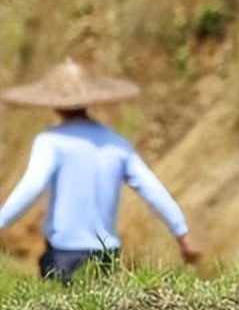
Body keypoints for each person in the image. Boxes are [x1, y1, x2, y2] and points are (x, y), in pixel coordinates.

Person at [0, 58, 199, 282]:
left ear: (54, 103)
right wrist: (181, 233)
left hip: (64, 254)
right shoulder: (116, 143)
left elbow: (32, 186)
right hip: (106, 254)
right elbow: (152, 189)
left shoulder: (50, 141)